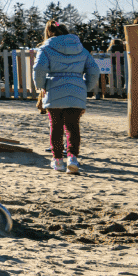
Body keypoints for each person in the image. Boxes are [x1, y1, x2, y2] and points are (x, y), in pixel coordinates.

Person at [34, 20, 99, 173]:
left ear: (49, 32)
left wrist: (41, 86)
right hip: (77, 91)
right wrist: (86, 87)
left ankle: (57, 161)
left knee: (56, 127)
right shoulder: (81, 49)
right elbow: (94, 70)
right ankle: (73, 158)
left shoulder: (46, 48)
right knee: (73, 127)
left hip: (54, 90)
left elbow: (38, 68)